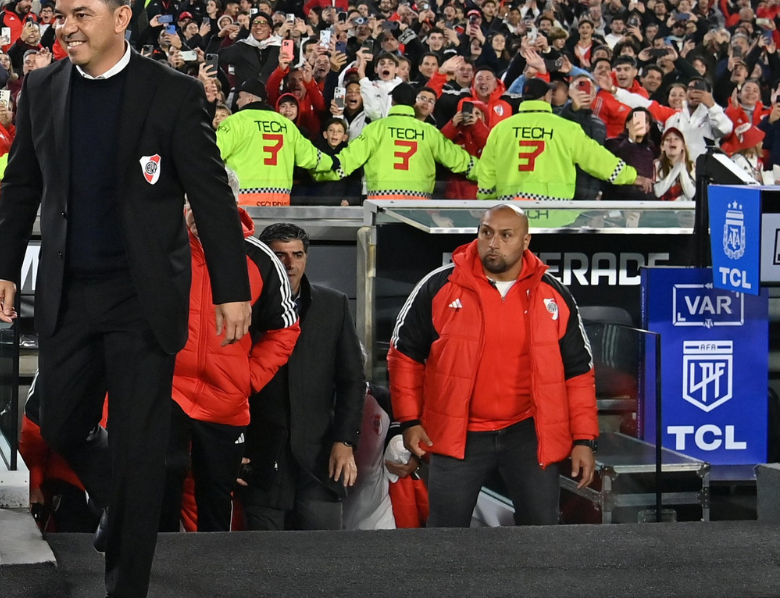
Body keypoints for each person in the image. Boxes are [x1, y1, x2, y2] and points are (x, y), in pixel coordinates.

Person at [0, 0, 251, 598]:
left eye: (81, 16)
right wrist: (3, 270)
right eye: (61, 15)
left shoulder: (171, 95)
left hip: (143, 300)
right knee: (58, 418)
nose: (65, 28)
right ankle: (117, 507)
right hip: (69, 294)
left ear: (120, 18)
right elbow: (20, 189)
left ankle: (122, 595)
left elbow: (211, 198)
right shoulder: (42, 89)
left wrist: (231, 288)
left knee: (138, 451)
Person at [388, 204, 599, 527]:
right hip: (458, 434)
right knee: (443, 540)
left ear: (525, 241)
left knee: (541, 536)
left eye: (505, 235)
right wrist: (409, 420)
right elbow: (404, 357)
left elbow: (579, 372)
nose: (493, 243)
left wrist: (584, 440)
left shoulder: (553, 293)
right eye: (486, 232)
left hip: (528, 435)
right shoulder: (440, 286)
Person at [164, 185, 300, 532]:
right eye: (191, 203)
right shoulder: (162, 244)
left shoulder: (260, 259)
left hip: (224, 401)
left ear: (233, 205)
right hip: (167, 392)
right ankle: (149, 576)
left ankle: (211, 577)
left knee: (215, 499)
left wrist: (247, 377)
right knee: (159, 486)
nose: (198, 212)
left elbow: (285, 329)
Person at [242, 223, 366, 531]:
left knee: (323, 561)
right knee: (261, 562)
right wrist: (234, 449)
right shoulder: (241, 308)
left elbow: (352, 380)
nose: (290, 263)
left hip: (320, 456)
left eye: (297, 254)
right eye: (279, 255)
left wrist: (345, 440)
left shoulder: (332, 304)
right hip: (261, 458)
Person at [475, 96, 637, 201]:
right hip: (555, 210)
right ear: (546, 97)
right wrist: (629, 175)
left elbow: (487, 169)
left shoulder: (502, 128)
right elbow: (596, 158)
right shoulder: (566, 128)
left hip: (511, 209)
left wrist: (485, 201)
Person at [331, 91, 477, 200]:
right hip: (418, 204)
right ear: (413, 104)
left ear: (393, 102)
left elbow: (348, 160)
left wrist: (320, 167)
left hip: (382, 203)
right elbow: (457, 159)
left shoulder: (376, 128)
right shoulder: (428, 131)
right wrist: (486, 172)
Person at [216, 77, 338, 205]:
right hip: (279, 202)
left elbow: (213, 153)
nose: (237, 102)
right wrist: (332, 162)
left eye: (239, 97)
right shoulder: (286, 124)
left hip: (242, 202)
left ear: (249, 98)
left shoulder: (234, 122)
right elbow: (310, 156)